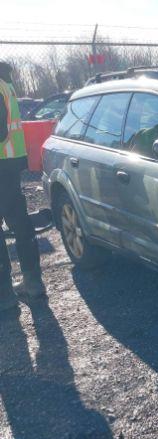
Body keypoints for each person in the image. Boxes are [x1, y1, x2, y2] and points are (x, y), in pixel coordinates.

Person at [0, 62, 46, 312]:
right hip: (9, 164)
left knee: (16, 223)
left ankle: (4, 294)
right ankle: (32, 281)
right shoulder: (6, 85)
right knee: (19, 222)